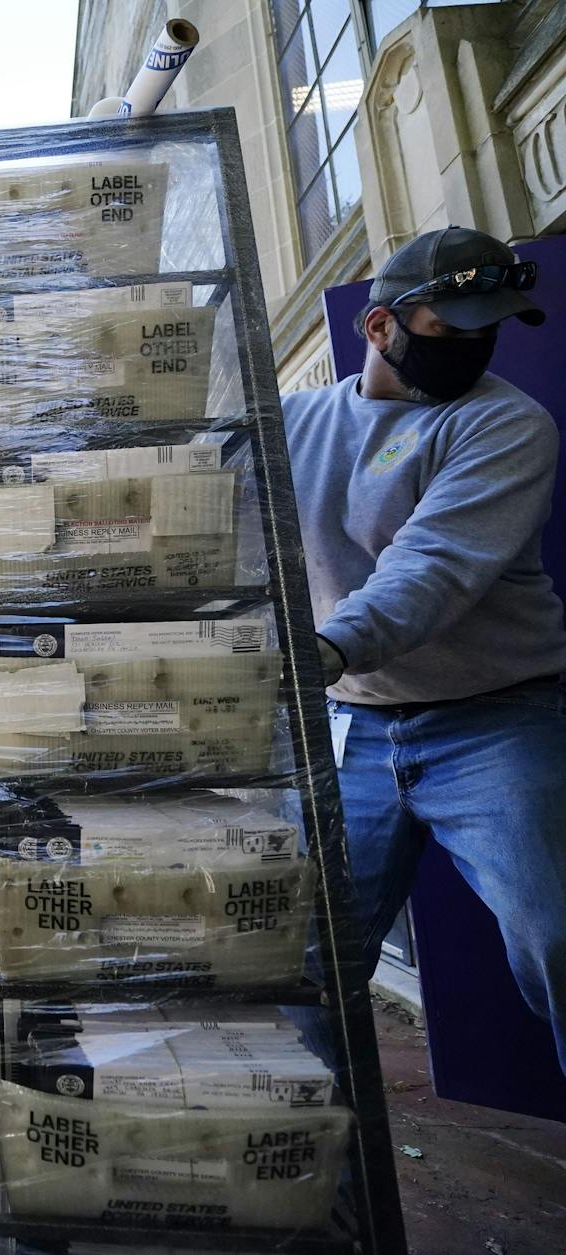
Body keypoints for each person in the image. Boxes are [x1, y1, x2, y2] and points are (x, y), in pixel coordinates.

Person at [281, 225, 566, 1074]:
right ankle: (321, 1179)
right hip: (357, 727)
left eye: (492, 326)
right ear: (381, 327)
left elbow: (433, 567)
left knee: (557, 935)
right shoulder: (295, 423)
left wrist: (324, 650)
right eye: (455, 325)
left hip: (496, 719)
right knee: (306, 960)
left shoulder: (507, 425)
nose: (477, 344)